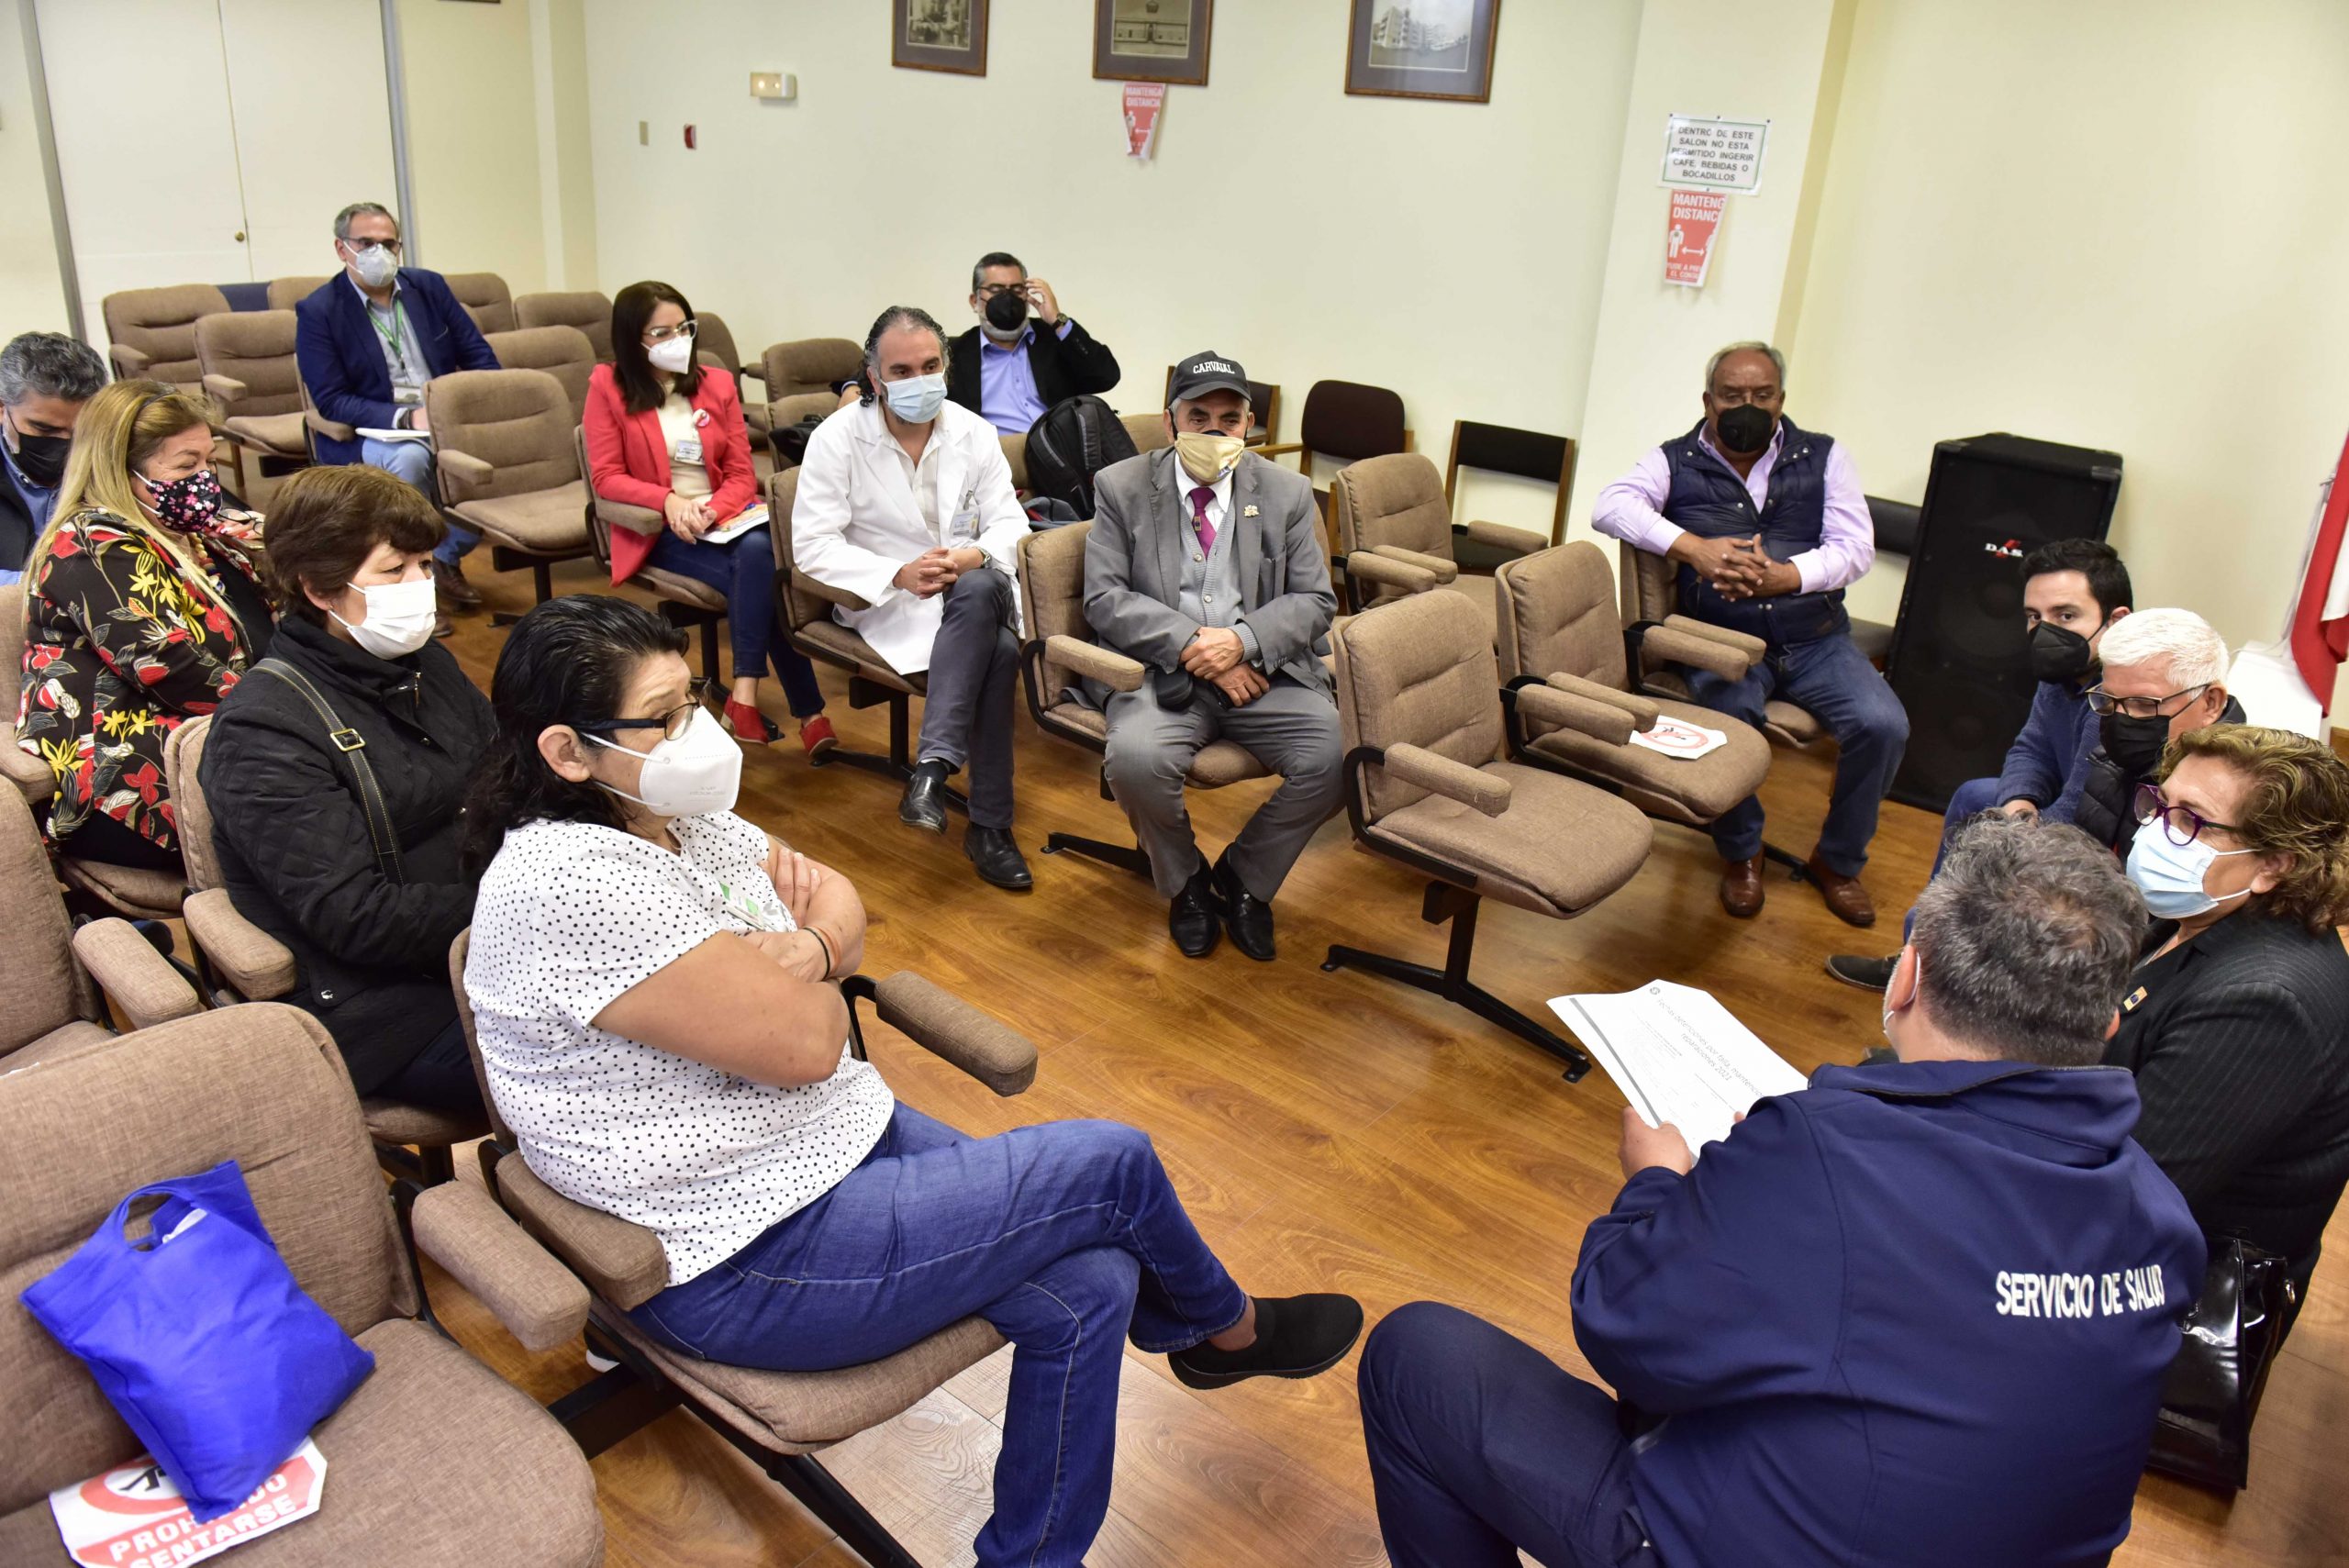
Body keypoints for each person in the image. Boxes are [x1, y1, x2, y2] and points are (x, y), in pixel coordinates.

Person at [461, 594, 1364, 1568]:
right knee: (1112, 1163)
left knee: (1095, 1278)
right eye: (667, 716)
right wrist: (820, 959)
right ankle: (1223, 1328)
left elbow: (840, 898)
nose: (702, 732)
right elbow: (812, 1038)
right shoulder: (572, 882)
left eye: (697, 700)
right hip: (738, 1249)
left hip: (824, 1141)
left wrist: (806, 944)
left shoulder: (670, 813)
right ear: (567, 752)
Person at [1358, 814, 2203, 1568]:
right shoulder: (2161, 1214)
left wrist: (1657, 1179)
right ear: (2105, 1024)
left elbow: (1621, 1322)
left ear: (1905, 976)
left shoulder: (1828, 1153)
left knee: (1415, 1356)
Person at [198, 465, 494, 1115]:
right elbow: (354, 917)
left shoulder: (423, 663)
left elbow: (508, 782)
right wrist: (517, 899)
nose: (422, 586)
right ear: (319, 587)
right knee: (629, 1058)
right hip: (386, 1006)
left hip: (489, 945)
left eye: (425, 563)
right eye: (395, 571)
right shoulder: (262, 729)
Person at [1592, 340, 1908, 926]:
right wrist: (1695, 550)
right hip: (1721, 637)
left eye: (1762, 396)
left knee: (1883, 725)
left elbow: (1856, 549)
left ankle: (1837, 862)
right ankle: (1741, 852)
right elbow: (1610, 506)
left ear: (1781, 399)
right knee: (1728, 728)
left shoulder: (1824, 456)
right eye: (1734, 395)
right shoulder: (1674, 459)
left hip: (1815, 636)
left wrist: (1788, 577)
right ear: (1708, 401)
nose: (1749, 406)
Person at [1084, 350, 1341, 961]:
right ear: (1171, 424)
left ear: (1249, 425)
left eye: (1229, 418)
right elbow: (1104, 597)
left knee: (1339, 754)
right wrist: (1197, 643)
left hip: (1265, 674)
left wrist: (1244, 641)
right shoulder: (1121, 487)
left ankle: (1245, 879)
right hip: (1162, 673)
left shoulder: (1287, 493)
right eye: (1198, 416)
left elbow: (1315, 600)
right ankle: (1187, 882)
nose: (1214, 431)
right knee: (1136, 759)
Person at [2106, 725, 2349, 1317]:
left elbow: (2123, 1200)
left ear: (2273, 865)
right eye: (2159, 804)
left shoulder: (2267, 1002)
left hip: (2168, 1284)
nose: (2157, 831)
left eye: (2191, 819)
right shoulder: (2196, 914)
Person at [792, 306, 1031, 889]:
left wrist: (973, 554)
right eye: (901, 370)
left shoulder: (972, 432)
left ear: (946, 366)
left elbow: (1013, 522)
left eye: (930, 365)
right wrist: (895, 574)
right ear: (873, 377)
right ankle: (990, 826)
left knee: (976, 585)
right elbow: (812, 546)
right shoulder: (837, 440)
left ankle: (931, 766)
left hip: (972, 582)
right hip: (892, 596)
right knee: (998, 652)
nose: (918, 380)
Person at [1827, 537, 2133, 988]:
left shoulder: (2123, 694)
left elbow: (2085, 811)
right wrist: (2018, 806)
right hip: (2064, 816)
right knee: (1977, 796)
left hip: (2108, 840)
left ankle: (1954, 975)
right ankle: (1922, 957)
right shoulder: (2066, 671)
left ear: (2116, 621)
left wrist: (2016, 833)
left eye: (2066, 616)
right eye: (2034, 617)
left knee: (1987, 855)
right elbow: (2032, 748)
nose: (2045, 631)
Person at [15, 380, 271, 870]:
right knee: (324, 822)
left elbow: (296, 546)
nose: (205, 479)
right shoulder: (87, 547)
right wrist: (305, 715)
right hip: (126, 778)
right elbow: (173, 669)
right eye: (186, 466)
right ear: (120, 469)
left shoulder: (198, 533)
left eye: (209, 461)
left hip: (225, 739)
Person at [584, 280, 836, 756]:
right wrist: (669, 502)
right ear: (632, 340)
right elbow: (607, 477)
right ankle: (808, 712)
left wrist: (714, 510)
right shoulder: (608, 386)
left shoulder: (715, 383)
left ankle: (744, 695)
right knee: (767, 572)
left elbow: (742, 472)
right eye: (661, 333)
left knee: (761, 555)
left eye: (683, 327)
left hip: (727, 519)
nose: (677, 339)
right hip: (665, 529)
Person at [295, 201, 501, 622]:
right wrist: (408, 419)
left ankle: (444, 557)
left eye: (389, 244)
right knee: (411, 460)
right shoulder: (320, 311)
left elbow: (479, 355)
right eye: (366, 243)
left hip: (444, 416)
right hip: (376, 429)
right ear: (341, 249)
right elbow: (332, 399)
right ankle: (409, 591)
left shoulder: (429, 287)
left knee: (500, 453)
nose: (379, 253)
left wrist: (473, 403)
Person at [948, 251, 1121, 437]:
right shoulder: (954, 354)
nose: (1007, 299)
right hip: (999, 454)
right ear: (975, 301)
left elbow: (1106, 377)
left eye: (1016, 290)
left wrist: (1057, 320)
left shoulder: (1054, 337)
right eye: (997, 290)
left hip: (1061, 447)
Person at [1, 331, 107, 584]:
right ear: (2, 410)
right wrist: (50, 587)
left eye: (81, 431)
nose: (65, 444)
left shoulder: (118, 459)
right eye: (45, 429)